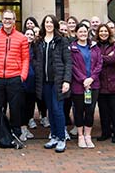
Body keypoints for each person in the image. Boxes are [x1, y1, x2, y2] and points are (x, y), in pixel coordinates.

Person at [0, 9, 29, 149]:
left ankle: (15, 135)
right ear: (2, 20)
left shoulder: (21, 37)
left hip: (14, 78)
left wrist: (22, 76)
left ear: (14, 20)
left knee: (15, 109)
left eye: (10, 18)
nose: (7, 21)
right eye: (5, 18)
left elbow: (25, 59)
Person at [35, 14, 71, 153]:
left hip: (58, 82)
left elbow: (68, 62)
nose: (48, 24)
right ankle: (54, 136)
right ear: (43, 24)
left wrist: (66, 80)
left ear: (55, 24)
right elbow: (37, 60)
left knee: (58, 110)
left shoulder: (61, 41)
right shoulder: (40, 41)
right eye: (46, 22)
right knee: (50, 111)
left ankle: (62, 138)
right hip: (45, 82)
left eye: (51, 22)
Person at [69, 23, 102, 149]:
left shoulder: (94, 47)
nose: (83, 34)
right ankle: (80, 136)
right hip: (78, 85)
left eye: (85, 31)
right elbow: (72, 66)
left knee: (90, 110)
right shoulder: (72, 48)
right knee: (78, 110)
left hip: (93, 86)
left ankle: (88, 136)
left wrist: (91, 79)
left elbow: (99, 64)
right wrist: (84, 80)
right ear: (76, 33)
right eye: (80, 32)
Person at [95, 21, 115, 144]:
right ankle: (105, 132)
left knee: (114, 109)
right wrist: (105, 57)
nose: (103, 33)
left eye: (105, 31)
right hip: (100, 81)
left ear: (109, 32)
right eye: (101, 31)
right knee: (103, 109)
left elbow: (113, 59)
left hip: (112, 82)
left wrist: (100, 58)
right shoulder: (94, 46)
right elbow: (94, 60)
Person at [19, 27, 37, 141]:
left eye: (32, 34)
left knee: (30, 106)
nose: (29, 36)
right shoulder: (19, 47)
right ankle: (21, 128)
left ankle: (26, 128)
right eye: (27, 34)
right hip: (21, 81)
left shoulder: (36, 48)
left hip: (33, 82)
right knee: (21, 105)